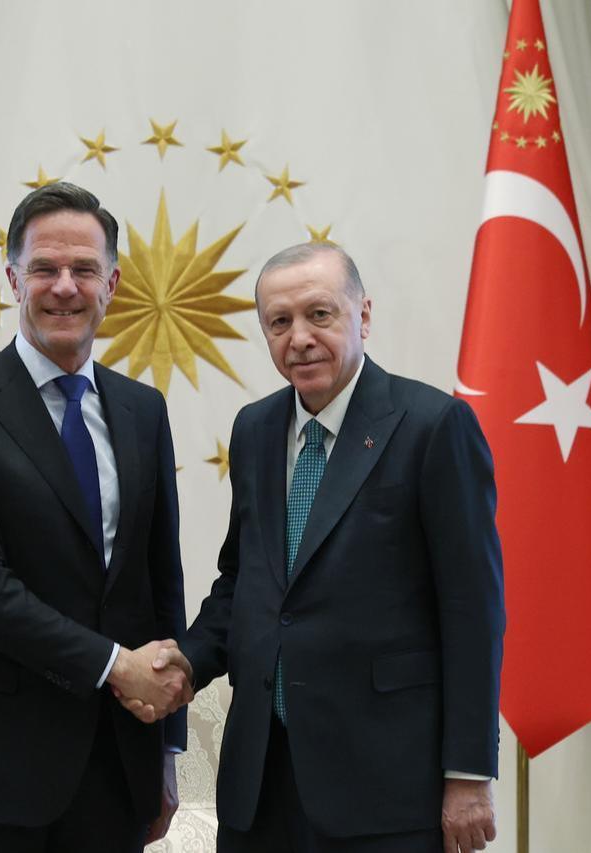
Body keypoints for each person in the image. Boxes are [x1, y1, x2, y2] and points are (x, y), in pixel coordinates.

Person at [150, 243, 505, 852]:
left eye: (320, 315)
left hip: (386, 786)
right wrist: (186, 662)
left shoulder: (433, 426)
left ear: (362, 315)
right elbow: (245, 581)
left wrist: (468, 775)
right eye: (279, 322)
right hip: (260, 781)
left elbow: (474, 612)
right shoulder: (255, 429)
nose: (300, 339)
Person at [0, 182, 193, 852]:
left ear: (113, 283)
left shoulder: (142, 411)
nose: (64, 287)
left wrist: (165, 751)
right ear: (14, 278)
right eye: (45, 268)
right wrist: (114, 664)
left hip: (117, 765)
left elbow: (160, 583)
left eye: (84, 269)